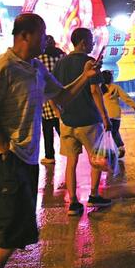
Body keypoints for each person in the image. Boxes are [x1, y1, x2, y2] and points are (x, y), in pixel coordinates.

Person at [0, 13, 102, 268]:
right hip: (1, 156)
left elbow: (63, 98)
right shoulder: (3, 67)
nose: (46, 39)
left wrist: (86, 76)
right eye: (42, 34)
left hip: (25, 157)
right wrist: (5, 148)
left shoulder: (36, 68)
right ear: (25, 35)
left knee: (22, 221)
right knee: (13, 215)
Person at [53, 28, 111, 216]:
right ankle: (93, 195)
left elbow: (54, 92)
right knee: (96, 159)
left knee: (71, 162)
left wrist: (58, 114)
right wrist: (104, 116)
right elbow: (95, 91)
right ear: (83, 42)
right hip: (88, 120)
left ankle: (73, 202)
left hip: (67, 121)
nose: (93, 44)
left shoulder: (60, 63)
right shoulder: (89, 63)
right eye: (91, 40)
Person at [37, 35, 65, 165]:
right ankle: (70, 151)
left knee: (47, 130)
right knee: (62, 129)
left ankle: (50, 156)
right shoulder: (63, 56)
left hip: (46, 100)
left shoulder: (39, 59)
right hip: (62, 97)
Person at [100, 70, 135, 159]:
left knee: (104, 133)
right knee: (115, 132)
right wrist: (133, 105)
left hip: (105, 115)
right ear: (111, 79)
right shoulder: (115, 87)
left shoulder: (100, 89)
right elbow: (125, 97)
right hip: (115, 114)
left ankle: (107, 151)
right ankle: (120, 147)